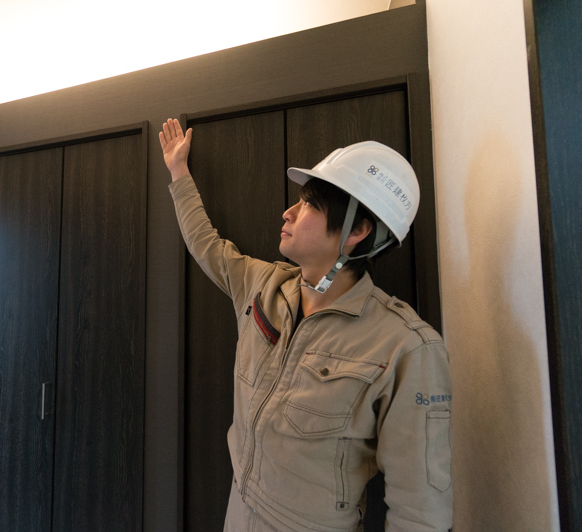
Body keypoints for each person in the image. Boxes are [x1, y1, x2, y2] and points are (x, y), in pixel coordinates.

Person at [160, 118, 453, 531]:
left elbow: (420, 512)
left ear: (357, 230)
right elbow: (205, 243)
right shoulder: (263, 285)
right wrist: (178, 171)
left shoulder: (405, 346)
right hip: (237, 510)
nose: (289, 212)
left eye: (309, 205)